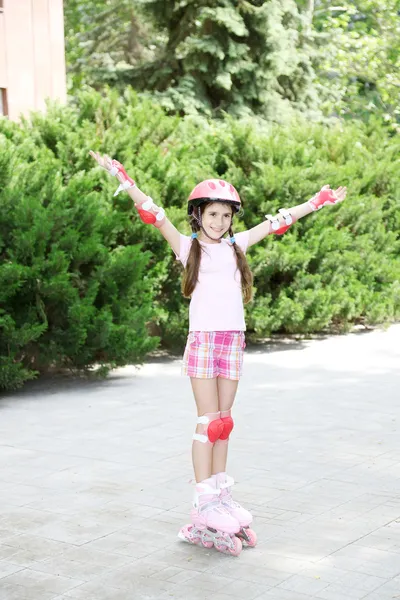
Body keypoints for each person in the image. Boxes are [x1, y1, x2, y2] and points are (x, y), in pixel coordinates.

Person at [89, 151, 347, 555]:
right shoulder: (187, 248)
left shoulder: (236, 247)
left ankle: (221, 494)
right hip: (204, 341)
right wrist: (121, 176)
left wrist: (316, 201)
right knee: (207, 422)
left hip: (233, 340)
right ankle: (203, 502)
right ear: (198, 216)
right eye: (212, 215)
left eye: (226, 216)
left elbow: (277, 221)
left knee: (225, 422)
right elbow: (154, 213)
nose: (220, 222)